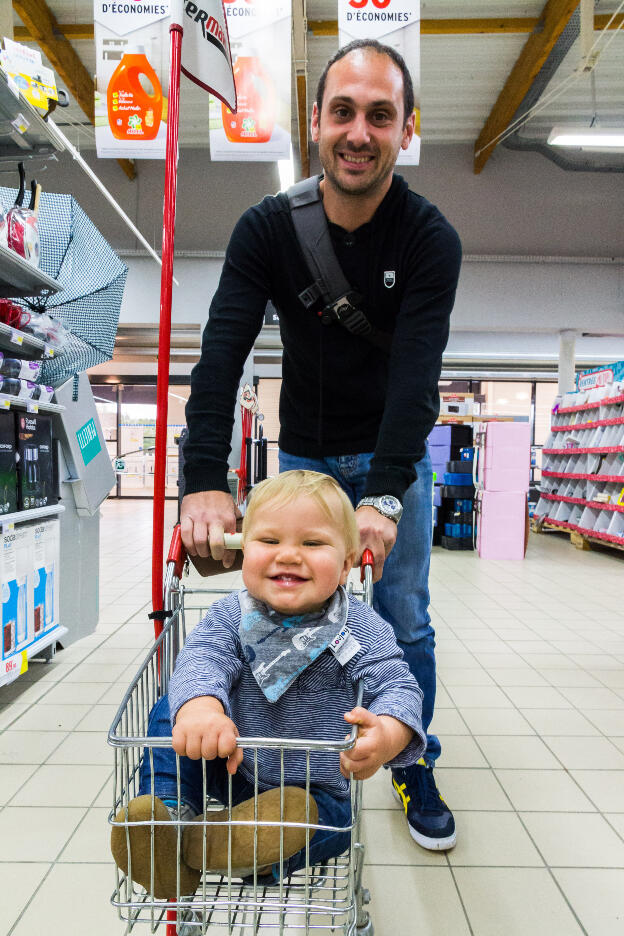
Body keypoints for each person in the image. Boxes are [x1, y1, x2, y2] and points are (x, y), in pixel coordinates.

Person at [180, 39, 462, 850]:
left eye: (381, 115)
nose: (359, 131)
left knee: (402, 621)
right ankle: (286, 763)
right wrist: (205, 478)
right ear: (315, 121)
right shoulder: (267, 228)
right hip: (301, 456)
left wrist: (381, 492)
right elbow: (223, 349)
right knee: (280, 611)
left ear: (407, 129)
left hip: (391, 459)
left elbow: (417, 376)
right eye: (343, 111)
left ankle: (410, 756)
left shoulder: (428, 240)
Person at [111, 471, 425, 896]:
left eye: (312, 544)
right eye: (270, 541)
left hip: (316, 788)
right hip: (231, 763)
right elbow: (203, 658)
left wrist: (387, 733)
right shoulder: (231, 615)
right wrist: (203, 708)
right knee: (175, 705)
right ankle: (167, 818)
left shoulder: (360, 628)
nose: (289, 556)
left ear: (347, 563)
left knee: (333, 823)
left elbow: (398, 687)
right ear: (244, 551)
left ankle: (230, 849)